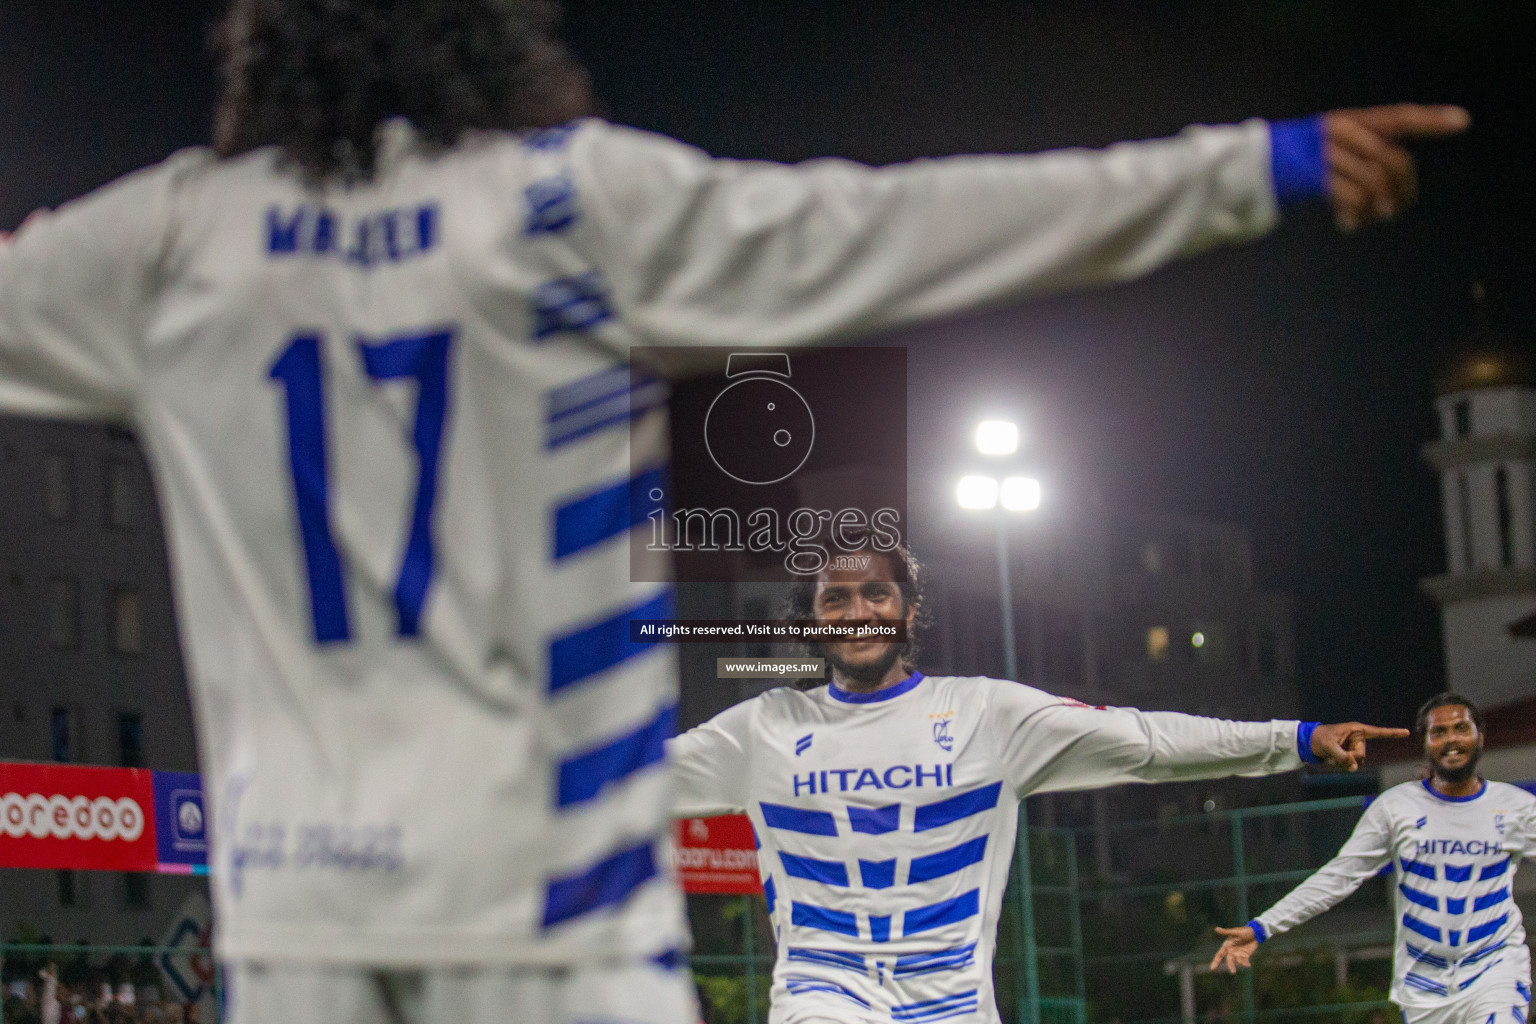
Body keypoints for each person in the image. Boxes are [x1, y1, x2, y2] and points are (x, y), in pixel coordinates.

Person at [0, 1, 1463, 1021]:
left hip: (304, 901)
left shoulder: (173, 237)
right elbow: (903, 224)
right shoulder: (568, 203)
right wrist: (1244, 169)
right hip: (549, 905)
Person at [668, 546, 1407, 1024]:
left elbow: (1145, 742)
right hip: (819, 997)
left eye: (877, 594)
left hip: (953, 1004)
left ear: (909, 612)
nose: (857, 611)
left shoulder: (990, 712)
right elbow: (630, 784)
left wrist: (1297, 740)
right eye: (835, 600)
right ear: (812, 622)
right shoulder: (762, 727)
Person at [1211, 693, 1535, 1024]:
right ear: (1425, 742)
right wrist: (1262, 926)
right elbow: (1338, 877)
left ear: (1480, 736)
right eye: (1439, 732)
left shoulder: (1517, 808)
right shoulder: (1396, 808)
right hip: (1424, 986)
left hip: (1495, 971)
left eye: (1461, 728)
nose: (1451, 740)